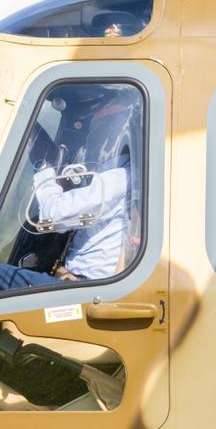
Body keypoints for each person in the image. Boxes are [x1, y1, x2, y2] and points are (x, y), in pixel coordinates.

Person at [0, 90, 133, 291]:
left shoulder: (121, 178)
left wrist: (43, 165)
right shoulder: (114, 175)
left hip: (85, 287)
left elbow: (53, 216)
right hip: (73, 279)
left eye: (99, 131)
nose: (91, 140)